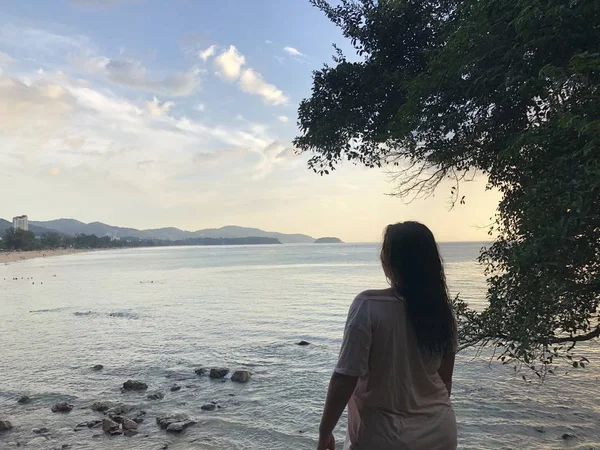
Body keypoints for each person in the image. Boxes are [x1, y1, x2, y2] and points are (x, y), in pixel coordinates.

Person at [317, 222, 458, 450]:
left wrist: (324, 432)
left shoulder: (367, 305)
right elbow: (445, 379)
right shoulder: (441, 310)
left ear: (390, 261)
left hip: (383, 437)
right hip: (439, 433)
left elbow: (345, 378)